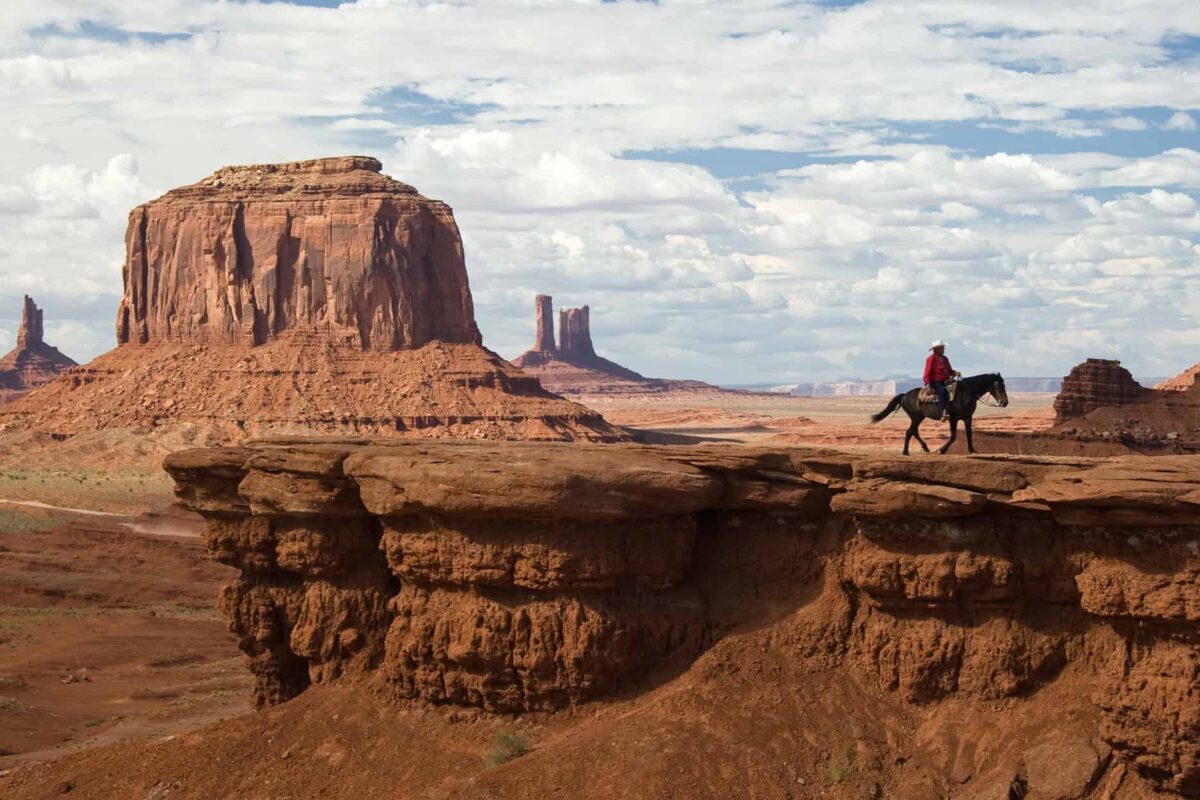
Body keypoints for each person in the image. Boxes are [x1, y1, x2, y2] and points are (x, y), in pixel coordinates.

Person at [923, 340, 961, 420]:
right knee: (942, 392)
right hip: (936, 382)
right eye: (942, 348)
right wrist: (929, 385)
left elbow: (949, 370)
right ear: (936, 349)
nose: (944, 349)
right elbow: (927, 372)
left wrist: (955, 372)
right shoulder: (931, 359)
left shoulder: (945, 359)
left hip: (946, 381)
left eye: (943, 348)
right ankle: (943, 413)